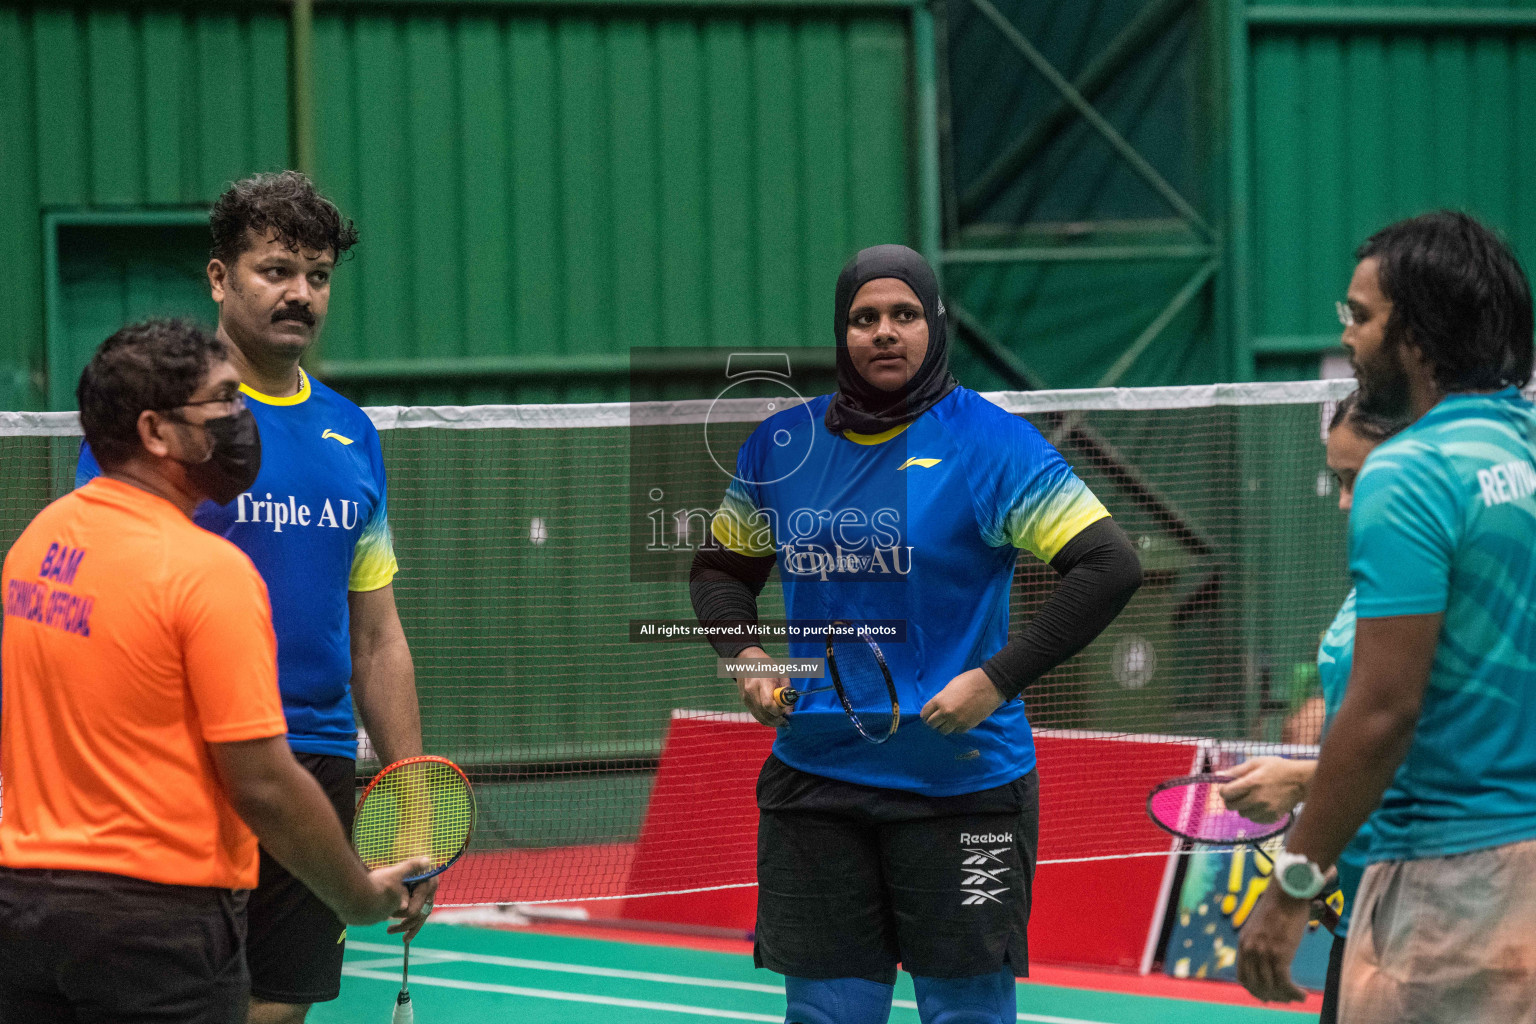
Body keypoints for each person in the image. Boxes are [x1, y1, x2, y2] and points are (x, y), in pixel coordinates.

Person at [690, 245, 1143, 1024]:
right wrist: (749, 658)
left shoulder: (991, 446)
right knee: (827, 1019)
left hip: (964, 786)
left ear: (934, 324)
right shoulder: (783, 446)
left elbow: (1108, 565)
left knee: (965, 1016)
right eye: (864, 319)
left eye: (904, 315)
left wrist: (997, 678)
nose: (884, 333)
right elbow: (719, 573)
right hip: (819, 780)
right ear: (842, 334)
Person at [76, 172, 429, 1024]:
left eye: (317, 275)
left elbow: (375, 634)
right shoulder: (158, 421)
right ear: (219, 277)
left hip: (315, 760)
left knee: (281, 1001)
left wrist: (411, 795)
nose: (299, 294)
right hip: (186, 762)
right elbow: (107, 603)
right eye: (275, 270)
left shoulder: (353, 435)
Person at [0, 319, 425, 1024]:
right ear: (156, 432)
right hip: (156, 920)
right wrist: (358, 894)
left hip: (25, 911)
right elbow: (260, 781)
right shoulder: (208, 574)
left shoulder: (36, 546)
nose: (243, 419)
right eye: (224, 404)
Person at [1236, 211, 1536, 1022]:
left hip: (1451, 885)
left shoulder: (1411, 472)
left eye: (1362, 317)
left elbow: (1382, 710)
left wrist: (1295, 880)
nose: (1352, 338)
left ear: (1419, 334)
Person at [1219, 391, 1408, 1023]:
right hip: (1363, 903)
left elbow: (1443, 747)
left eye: (1359, 479)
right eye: (1338, 482)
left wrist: (1301, 782)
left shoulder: (1461, 589)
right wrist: (1325, 857)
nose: (1347, 502)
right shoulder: (1372, 583)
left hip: (1435, 916)